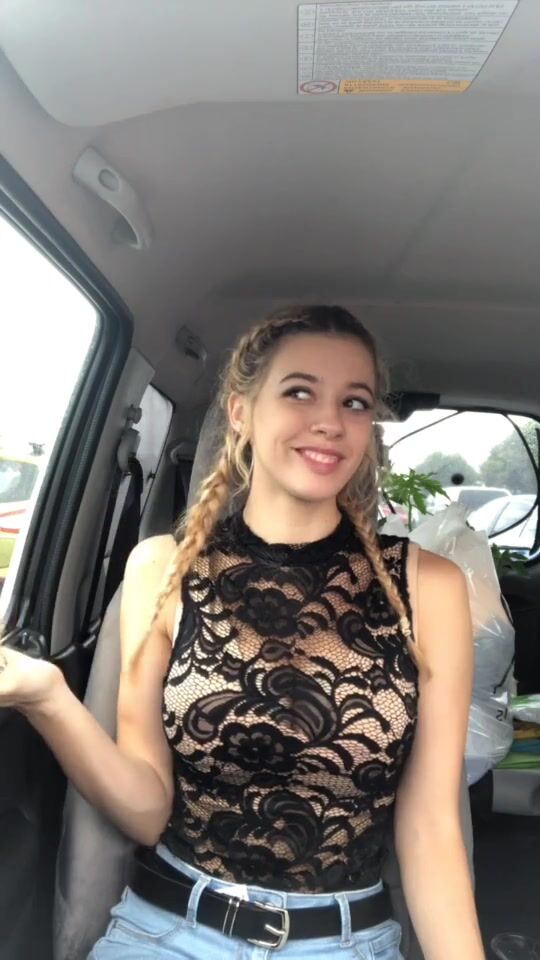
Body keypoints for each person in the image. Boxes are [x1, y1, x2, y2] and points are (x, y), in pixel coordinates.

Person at [0, 305, 485, 960]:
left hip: (344, 943)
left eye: (354, 402)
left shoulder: (428, 587)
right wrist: (47, 697)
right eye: (300, 392)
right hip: (166, 931)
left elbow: (430, 829)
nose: (330, 421)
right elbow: (146, 810)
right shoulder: (162, 571)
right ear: (240, 412)